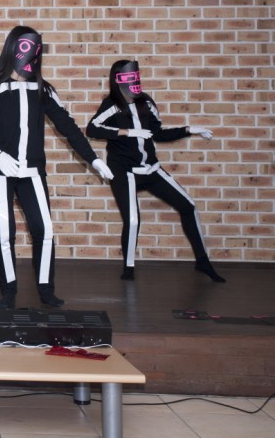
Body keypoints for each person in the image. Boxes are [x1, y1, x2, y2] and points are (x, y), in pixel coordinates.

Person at [0, 26, 113, 310]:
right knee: (5, 233)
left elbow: (67, 125)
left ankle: (46, 289)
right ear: (13, 49)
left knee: (44, 229)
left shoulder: (42, 90)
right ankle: (8, 291)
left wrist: (93, 158)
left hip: (32, 171)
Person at [87, 60, 225, 282]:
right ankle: (128, 269)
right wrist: (127, 132)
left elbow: (157, 134)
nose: (134, 83)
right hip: (124, 171)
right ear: (118, 80)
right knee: (133, 220)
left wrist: (189, 130)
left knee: (188, 205)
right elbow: (92, 129)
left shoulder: (147, 103)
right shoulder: (111, 104)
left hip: (150, 168)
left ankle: (202, 261)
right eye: (129, 78)